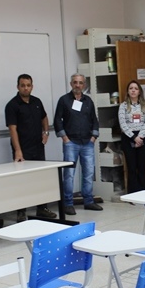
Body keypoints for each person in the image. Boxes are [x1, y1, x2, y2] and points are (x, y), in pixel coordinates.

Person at [5, 73, 57, 220]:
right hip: (22, 149)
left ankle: (42, 208)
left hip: (38, 147)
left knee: (40, 178)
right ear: (18, 87)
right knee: (22, 180)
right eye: (23, 85)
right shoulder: (12, 105)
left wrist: (46, 132)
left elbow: (44, 117)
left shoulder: (37, 102)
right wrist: (18, 151)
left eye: (28, 85)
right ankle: (21, 211)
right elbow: (12, 129)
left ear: (32, 87)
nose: (26, 88)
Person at [54, 73, 101, 215]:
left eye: (80, 83)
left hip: (88, 142)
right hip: (71, 142)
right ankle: (68, 203)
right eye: (75, 82)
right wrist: (65, 138)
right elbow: (57, 120)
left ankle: (88, 201)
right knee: (69, 174)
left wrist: (94, 137)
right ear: (71, 84)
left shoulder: (88, 101)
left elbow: (95, 120)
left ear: (84, 85)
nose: (78, 85)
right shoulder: (64, 100)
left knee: (88, 173)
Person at [119, 80, 145, 193]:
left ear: (139, 92)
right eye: (131, 88)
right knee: (131, 168)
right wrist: (134, 137)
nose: (133, 90)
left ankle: (143, 192)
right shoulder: (123, 106)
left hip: (142, 138)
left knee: (141, 167)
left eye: (136, 88)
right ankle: (132, 194)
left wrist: (140, 137)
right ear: (128, 91)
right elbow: (123, 124)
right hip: (129, 138)